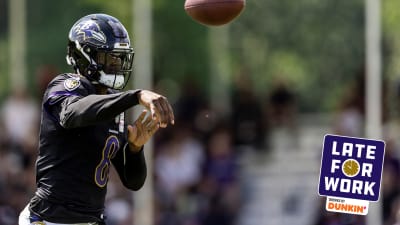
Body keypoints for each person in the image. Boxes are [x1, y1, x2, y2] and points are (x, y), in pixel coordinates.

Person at [18, 13, 174, 225]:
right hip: (49, 219)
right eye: (109, 58)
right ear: (85, 55)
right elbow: (74, 113)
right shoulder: (65, 85)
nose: (116, 65)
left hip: (90, 220)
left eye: (119, 58)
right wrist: (135, 96)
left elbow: (133, 181)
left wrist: (135, 150)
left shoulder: (112, 105)